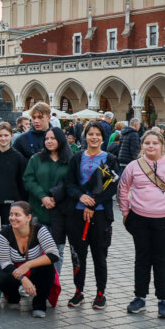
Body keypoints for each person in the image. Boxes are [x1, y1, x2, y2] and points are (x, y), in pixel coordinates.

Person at [117, 128, 165, 318]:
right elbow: (123, 188)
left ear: (162, 146)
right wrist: (125, 211)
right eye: (147, 143)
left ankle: (163, 300)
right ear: (142, 145)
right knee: (141, 259)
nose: (151, 146)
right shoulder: (134, 166)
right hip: (139, 219)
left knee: (162, 260)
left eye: (155, 143)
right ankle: (139, 297)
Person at [64, 122, 118, 310]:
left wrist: (93, 203)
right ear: (85, 136)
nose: (94, 137)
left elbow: (112, 186)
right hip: (77, 213)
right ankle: (79, 291)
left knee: (99, 255)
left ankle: (100, 293)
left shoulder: (110, 159)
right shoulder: (77, 158)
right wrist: (81, 196)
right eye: (90, 134)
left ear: (103, 138)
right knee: (78, 255)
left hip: (101, 214)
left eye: (97, 134)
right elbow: (69, 183)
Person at [0, 201, 59, 318]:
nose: (12, 218)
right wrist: (23, 278)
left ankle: (39, 304)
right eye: (11, 214)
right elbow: (5, 263)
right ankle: (13, 297)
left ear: (28, 217)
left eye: (17, 215)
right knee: (2, 275)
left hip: (35, 268)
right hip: (14, 269)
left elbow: (54, 254)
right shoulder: (4, 234)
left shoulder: (40, 230)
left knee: (47, 269)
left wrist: (28, 265)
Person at [22, 126, 71, 276]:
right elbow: (28, 180)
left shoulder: (69, 160)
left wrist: (55, 197)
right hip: (38, 210)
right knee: (34, 249)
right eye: (47, 138)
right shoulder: (36, 159)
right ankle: (31, 283)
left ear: (60, 140)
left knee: (57, 250)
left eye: (53, 138)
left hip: (60, 212)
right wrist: (43, 196)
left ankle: (53, 285)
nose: (49, 141)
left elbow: (71, 182)